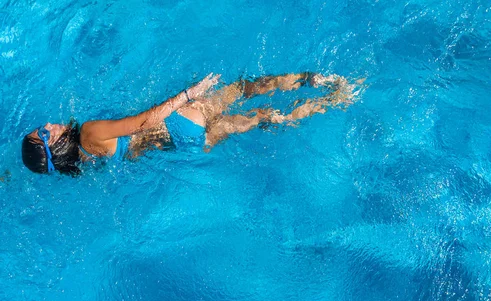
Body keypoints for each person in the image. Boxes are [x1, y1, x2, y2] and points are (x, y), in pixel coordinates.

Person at [21, 72, 360, 175]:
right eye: (44, 132)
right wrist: (188, 94)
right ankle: (316, 79)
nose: (48, 123)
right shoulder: (89, 132)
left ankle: (333, 103)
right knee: (247, 88)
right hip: (181, 122)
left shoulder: (86, 163)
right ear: (54, 145)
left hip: (185, 145)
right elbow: (142, 122)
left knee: (263, 119)